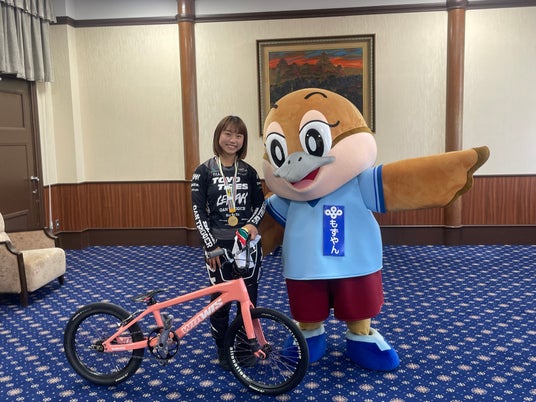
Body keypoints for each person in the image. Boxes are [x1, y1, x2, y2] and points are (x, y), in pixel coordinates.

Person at [191, 115, 266, 370]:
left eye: (238, 135)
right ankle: (223, 347)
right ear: (218, 136)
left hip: (247, 246)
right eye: (228, 134)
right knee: (220, 302)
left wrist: (252, 224)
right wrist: (210, 245)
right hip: (217, 247)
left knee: (248, 299)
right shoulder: (203, 172)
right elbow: (198, 212)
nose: (233, 140)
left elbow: (261, 205)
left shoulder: (249, 172)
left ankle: (245, 345)